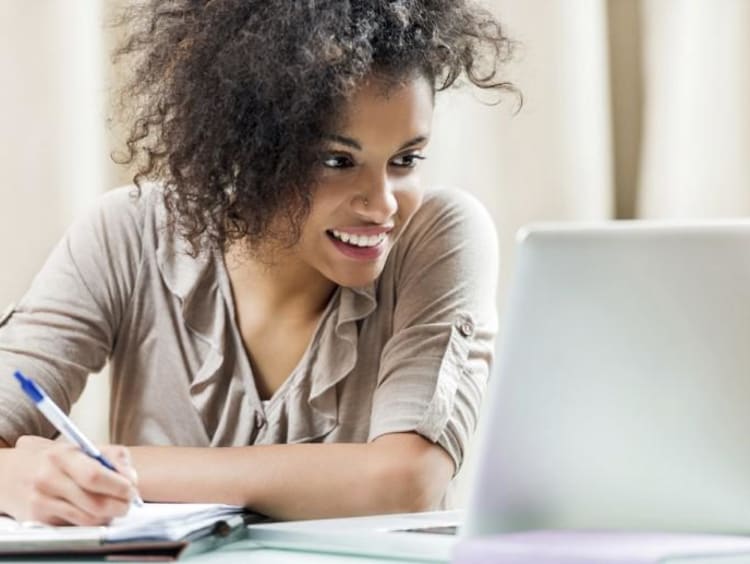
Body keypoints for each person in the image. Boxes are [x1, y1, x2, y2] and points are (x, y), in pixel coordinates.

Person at [0, 0, 514, 526]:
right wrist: (14, 479)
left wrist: (107, 470)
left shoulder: (439, 236)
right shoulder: (127, 235)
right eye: (337, 161)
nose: (382, 204)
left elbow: (406, 482)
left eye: (405, 160)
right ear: (248, 152)